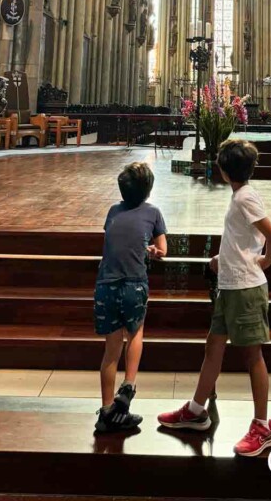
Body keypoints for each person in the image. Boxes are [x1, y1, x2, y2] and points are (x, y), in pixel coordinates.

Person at [158, 139, 271, 457]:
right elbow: (241, 239)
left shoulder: (244, 198)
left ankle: (262, 427)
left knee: (252, 357)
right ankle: (196, 410)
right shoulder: (241, 196)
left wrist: (266, 261)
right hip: (230, 284)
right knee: (213, 347)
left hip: (245, 289)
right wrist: (221, 259)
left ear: (224, 171)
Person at [94, 161, 167, 434]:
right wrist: (152, 251)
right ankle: (129, 385)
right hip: (134, 283)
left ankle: (105, 411)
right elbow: (162, 249)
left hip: (105, 284)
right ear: (148, 191)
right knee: (135, 333)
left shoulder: (113, 211)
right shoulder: (153, 212)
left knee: (110, 350)